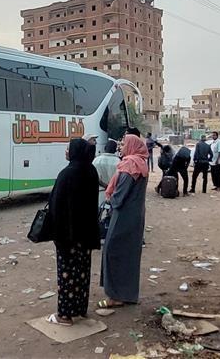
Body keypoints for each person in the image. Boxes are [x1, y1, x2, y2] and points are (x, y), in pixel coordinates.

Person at [46, 138, 101, 326]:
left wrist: (54, 232)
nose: (66, 151)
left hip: (68, 235)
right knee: (82, 272)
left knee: (67, 274)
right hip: (86, 233)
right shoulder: (91, 171)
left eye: (68, 148)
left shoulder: (67, 173)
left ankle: (64, 315)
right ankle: (79, 308)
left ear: (74, 151)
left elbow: (56, 205)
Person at [98, 134, 148, 309]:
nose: (121, 146)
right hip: (135, 215)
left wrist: (111, 201)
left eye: (124, 144)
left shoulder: (130, 165)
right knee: (129, 255)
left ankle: (115, 296)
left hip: (123, 216)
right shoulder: (141, 163)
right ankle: (127, 294)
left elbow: (120, 195)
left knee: (113, 251)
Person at [93, 140, 120, 206]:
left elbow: (93, 177)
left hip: (99, 193)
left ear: (105, 148)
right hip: (113, 194)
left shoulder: (96, 160)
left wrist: (105, 186)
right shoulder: (119, 162)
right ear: (115, 150)